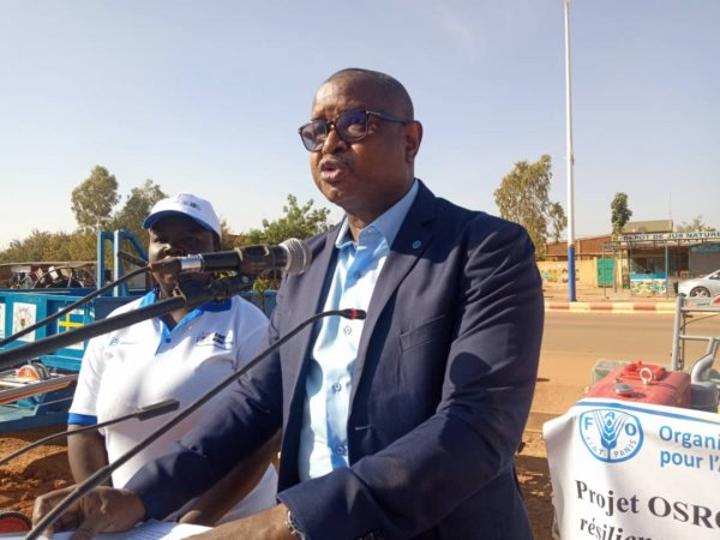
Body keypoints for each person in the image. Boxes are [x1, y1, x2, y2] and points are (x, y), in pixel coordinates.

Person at [34, 69, 544, 539]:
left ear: (410, 140)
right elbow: (255, 405)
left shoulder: (483, 250)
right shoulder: (306, 265)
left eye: (355, 123)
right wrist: (139, 497)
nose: (330, 143)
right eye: (317, 131)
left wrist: (290, 522)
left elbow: (477, 427)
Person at [64, 193, 278, 525]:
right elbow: (83, 428)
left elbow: (262, 441)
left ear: (217, 250)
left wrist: (192, 524)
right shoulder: (117, 325)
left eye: (191, 240)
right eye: (160, 239)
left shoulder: (248, 324)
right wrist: (99, 506)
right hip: (132, 525)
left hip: (226, 525)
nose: (172, 248)